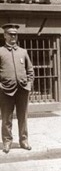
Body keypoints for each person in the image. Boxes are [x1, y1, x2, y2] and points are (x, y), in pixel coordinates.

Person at [0, 23, 34, 154]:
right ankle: (7, 142)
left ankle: (24, 140)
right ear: (5, 35)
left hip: (22, 90)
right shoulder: (0, 52)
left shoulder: (23, 52)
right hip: (5, 90)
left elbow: (30, 70)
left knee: (23, 117)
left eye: (15, 34)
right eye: (11, 34)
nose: (13, 36)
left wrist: (29, 84)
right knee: (6, 118)